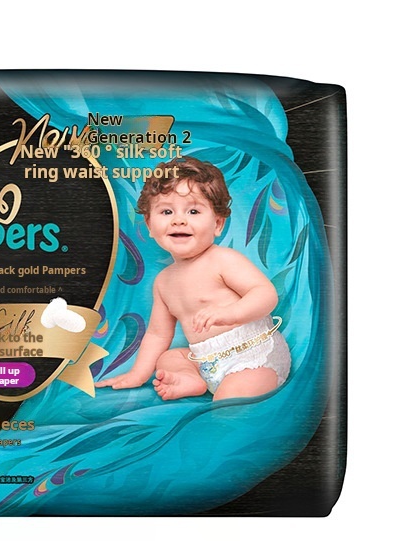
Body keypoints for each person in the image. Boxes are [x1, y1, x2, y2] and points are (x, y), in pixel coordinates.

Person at [96, 157, 290, 401]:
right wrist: (137, 374)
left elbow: (265, 294)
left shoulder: (222, 260)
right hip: (207, 360)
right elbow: (157, 335)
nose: (179, 220)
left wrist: (231, 314)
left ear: (218, 223)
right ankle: (191, 378)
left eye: (193, 211)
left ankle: (228, 395)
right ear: (149, 224)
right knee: (169, 357)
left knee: (228, 402)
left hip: (253, 355)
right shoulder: (163, 282)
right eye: (167, 211)